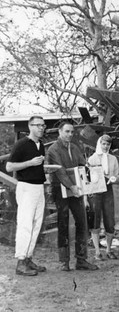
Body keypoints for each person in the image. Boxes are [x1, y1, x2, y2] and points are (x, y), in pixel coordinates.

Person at [46, 122, 98, 271]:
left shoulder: (75, 148)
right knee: (63, 223)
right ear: (59, 131)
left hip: (76, 190)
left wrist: (92, 180)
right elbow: (60, 170)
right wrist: (72, 186)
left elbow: (83, 165)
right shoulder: (53, 149)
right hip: (60, 189)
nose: (70, 134)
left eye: (72, 132)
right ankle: (64, 261)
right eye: (67, 131)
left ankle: (81, 260)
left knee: (82, 222)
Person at [6, 116, 48, 276]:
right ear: (30, 126)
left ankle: (28, 258)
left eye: (43, 126)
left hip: (39, 187)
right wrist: (30, 163)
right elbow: (9, 167)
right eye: (38, 125)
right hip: (26, 188)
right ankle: (20, 262)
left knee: (37, 224)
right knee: (25, 224)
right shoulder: (22, 144)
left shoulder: (41, 145)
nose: (41, 128)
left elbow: (38, 167)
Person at [87, 134, 119, 260]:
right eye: (103, 144)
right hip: (95, 192)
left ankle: (109, 250)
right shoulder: (92, 159)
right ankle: (97, 252)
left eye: (108, 144)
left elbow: (114, 178)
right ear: (99, 144)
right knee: (95, 220)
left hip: (108, 191)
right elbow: (88, 178)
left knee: (109, 219)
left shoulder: (113, 159)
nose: (105, 146)